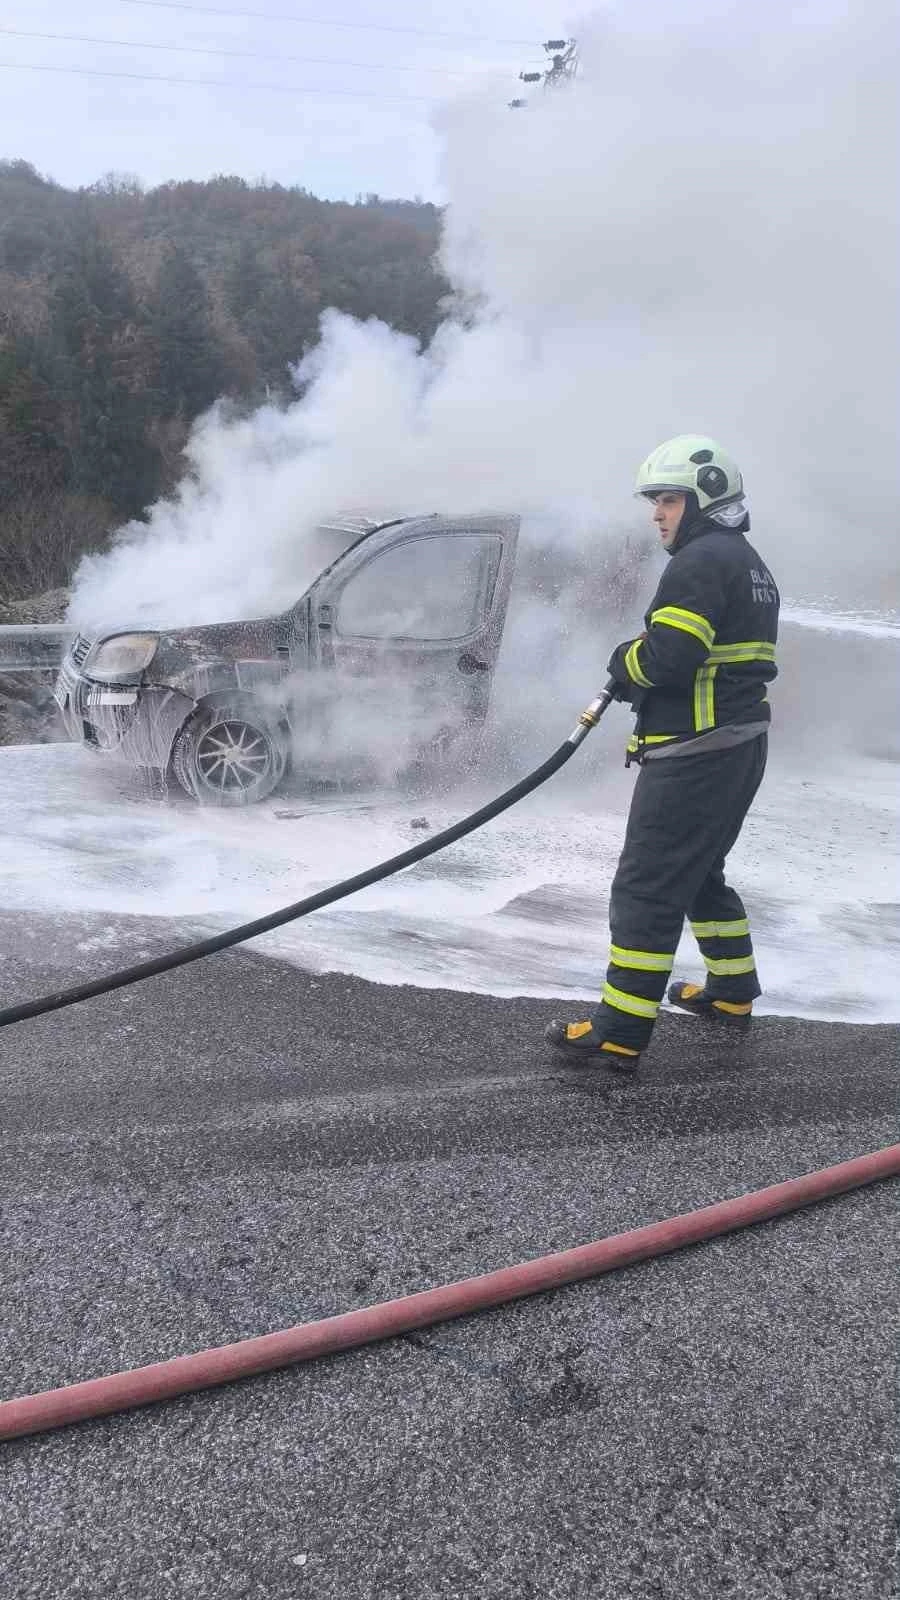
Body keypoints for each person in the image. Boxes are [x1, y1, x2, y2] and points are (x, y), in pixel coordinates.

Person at [546, 434, 779, 1073]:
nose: (657, 514)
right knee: (700, 874)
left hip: (695, 753)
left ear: (703, 500)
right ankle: (732, 992)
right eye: (656, 501)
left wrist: (625, 658)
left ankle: (619, 1033)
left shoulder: (701, 560)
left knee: (647, 888)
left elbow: (670, 660)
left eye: (669, 500)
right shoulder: (749, 563)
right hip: (737, 746)